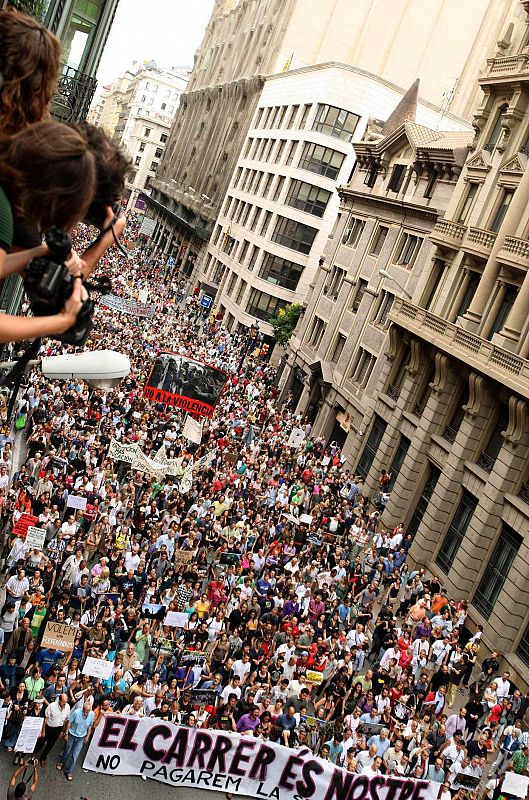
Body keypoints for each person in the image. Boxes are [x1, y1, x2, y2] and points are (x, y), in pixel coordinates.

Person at [57, 700, 94, 781]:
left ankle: (68, 771)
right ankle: (62, 762)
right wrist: (66, 733)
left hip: (81, 737)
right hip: (72, 734)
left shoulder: (92, 714)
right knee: (67, 750)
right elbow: (69, 722)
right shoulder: (76, 713)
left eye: (89, 710)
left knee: (75, 755)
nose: (87, 712)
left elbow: (90, 726)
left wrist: (88, 736)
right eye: (86, 710)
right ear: (83, 709)